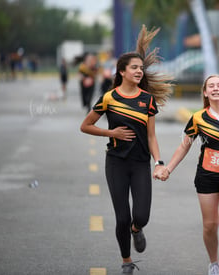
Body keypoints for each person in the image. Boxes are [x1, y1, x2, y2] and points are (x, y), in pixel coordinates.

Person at [80, 25, 172, 275]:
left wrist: (159, 162)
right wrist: (111, 133)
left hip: (140, 163)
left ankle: (136, 230)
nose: (139, 71)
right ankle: (126, 261)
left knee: (141, 216)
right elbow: (85, 126)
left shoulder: (147, 100)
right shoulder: (109, 98)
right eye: (134, 67)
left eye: (141, 68)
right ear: (121, 71)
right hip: (116, 163)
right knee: (122, 217)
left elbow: (151, 135)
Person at [158, 74, 219, 275]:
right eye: (211, 86)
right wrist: (168, 168)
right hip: (206, 174)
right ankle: (214, 264)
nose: (215, 88)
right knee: (209, 225)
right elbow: (184, 146)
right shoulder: (198, 118)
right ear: (205, 92)